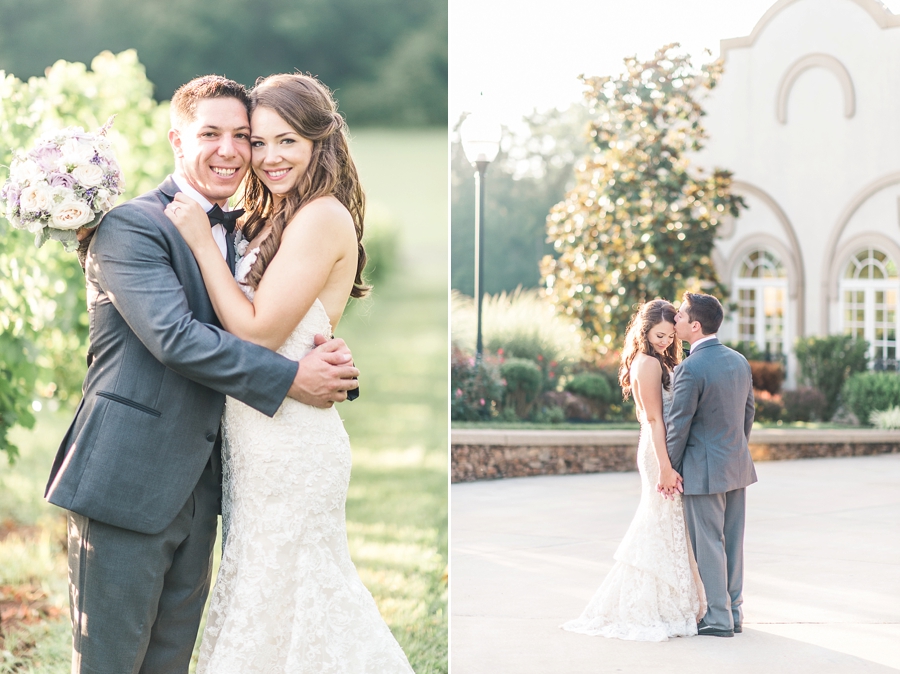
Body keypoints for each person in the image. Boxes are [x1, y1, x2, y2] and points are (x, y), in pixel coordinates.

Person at [45, 75, 359, 674]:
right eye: (210, 133)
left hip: (209, 484)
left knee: (171, 662)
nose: (232, 150)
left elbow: (282, 313)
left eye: (243, 135)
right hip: (127, 479)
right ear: (176, 140)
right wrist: (290, 377)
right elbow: (176, 339)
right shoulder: (130, 227)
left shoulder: (249, 228)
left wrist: (329, 357)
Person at [165, 73, 414, 673]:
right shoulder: (278, 212)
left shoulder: (321, 216)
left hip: (292, 438)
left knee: (297, 588)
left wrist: (200, 242)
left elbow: (256, 332)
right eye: (261, 141)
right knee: (264, 588)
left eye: (288, 142)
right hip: (257, 431)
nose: (269, 157)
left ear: (318, 145)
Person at [561, 299, 706, 641]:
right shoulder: (649, 365)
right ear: (645, 331)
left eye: (671, 335)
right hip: (658, 454)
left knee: (666, 524)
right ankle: (651, 605)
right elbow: (655, 419)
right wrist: (666, 468)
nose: (666, 341)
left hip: (659, 447)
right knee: (658, 523)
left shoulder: (655, 360)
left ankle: (670, 600)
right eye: (659, 335)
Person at [663, 292, 756, 638]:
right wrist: (734, 448)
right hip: (737, 464)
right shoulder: (739, 361)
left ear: (695, 325)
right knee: (733, 540)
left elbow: (678, 426)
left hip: (703, 471)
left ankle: (718, 618)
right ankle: (733, 611)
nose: (677, 320)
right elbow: (748, 414)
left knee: (709, 543)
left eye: (682, 316)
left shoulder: (690, 368)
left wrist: (669, 470)